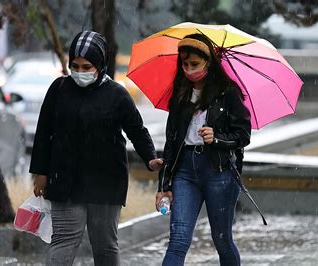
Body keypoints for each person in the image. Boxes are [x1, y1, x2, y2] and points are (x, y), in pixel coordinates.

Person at [30, 30, 163, 266]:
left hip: (105, 182)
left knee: (104, 245)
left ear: (100, 65)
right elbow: (43, 132)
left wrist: (150, 158)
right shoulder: (59, 89)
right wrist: (40, 172)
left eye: (86, 66)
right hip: (65, 179)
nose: (80, 72)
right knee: (63, 239)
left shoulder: (117, 94)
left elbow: (137, 130)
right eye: (75, 66)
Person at [155, 33, 251, 266]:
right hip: (185, 171)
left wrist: (216, 138)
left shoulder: (227, 92)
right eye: (185, 64)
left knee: (222, 240)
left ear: (209, 62)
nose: (189, 69)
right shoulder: (180, 93)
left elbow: (243, 135)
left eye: (195, 64)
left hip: (219, 171)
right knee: (178, 240)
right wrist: (164, 184)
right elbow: (172, 142)